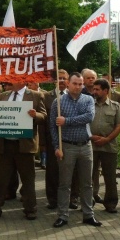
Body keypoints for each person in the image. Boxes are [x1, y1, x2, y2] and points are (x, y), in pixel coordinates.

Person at [0, 80, 46, 221]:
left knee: (28, 179)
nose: (10, 80)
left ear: (23, 80)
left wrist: (35, 115)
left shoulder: (36, 96)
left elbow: (44, 116)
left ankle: (30, 209)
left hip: (24, 144)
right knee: (0, 179)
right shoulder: (3, 96)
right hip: (4, 144)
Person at [49, 72, 101, 228]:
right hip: (67, 146)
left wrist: (67, 121)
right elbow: (52, 126)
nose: (78, 86)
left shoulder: (88, 99)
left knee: (87, 183)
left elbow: (89, 117)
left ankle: (88, 215)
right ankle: (63, 216)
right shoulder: (58, 102)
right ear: (68, 84)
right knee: (65, 184)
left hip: (85, 146)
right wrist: (57, 147)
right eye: (75, 83)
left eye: (80, 84)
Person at [90, 78, 120, 213]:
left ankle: (110, 203)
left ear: (106, 91)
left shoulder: (115, 106)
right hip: (91, 146)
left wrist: (107, 139)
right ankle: (89, 201)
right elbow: (84, 123)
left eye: (97, 89)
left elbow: (119, 126)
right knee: (90, 175)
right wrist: (91, 136)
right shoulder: (88, 104)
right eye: (94, 89)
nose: (94, 91)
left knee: (110, 176)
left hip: (109, 147)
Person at [44, 69, 68, 209]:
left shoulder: (73, 96)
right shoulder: (46, 96)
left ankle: (71, 198)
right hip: (51, 139)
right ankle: (52, 199)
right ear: (54, 80)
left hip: (69, 138)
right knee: (52, 170)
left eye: (64, 78)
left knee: (70, 170)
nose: (62, 81)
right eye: (59, 78)